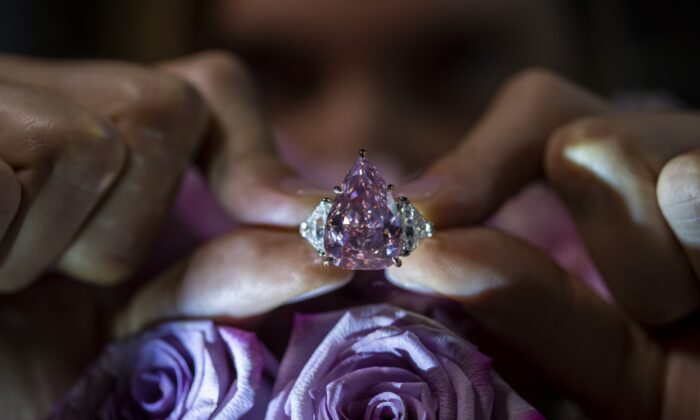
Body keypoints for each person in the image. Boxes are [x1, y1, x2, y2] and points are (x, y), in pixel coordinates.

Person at [1, 0, 699, 418]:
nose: (363, 138)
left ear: (592, 66)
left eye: (456, 64)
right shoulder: (64, 306)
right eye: (275, 73)